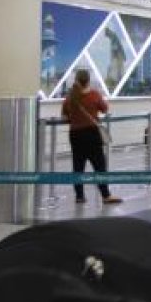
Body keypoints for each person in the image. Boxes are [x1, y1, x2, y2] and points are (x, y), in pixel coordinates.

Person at [60, 69, 121, 205]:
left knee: (78, 166)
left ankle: (79, 196)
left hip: (75, 135)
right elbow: (105, 109)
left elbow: (64, 116)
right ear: (88, 81)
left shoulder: (70, 97)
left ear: (76, 80)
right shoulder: (94, 94)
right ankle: (105, 195)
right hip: (91, 134)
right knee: (99, 165)